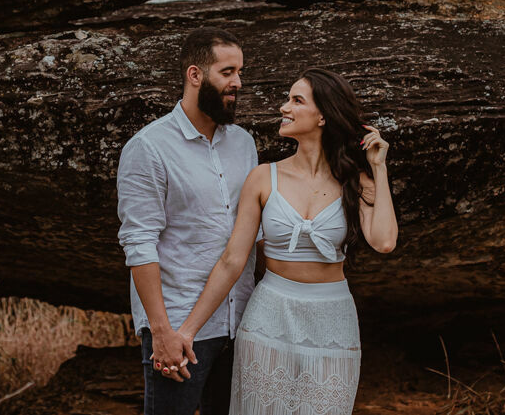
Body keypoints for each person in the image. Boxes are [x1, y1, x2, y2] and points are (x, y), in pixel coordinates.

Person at [171, 67, 398, 414]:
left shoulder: (356, 179)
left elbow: (383, 242)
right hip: (269, 316)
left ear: (322, 115)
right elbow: (233, 260)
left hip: (332, 320)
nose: (283, 107)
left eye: (296, 100)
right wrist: (187, 332)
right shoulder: (263, 177)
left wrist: (378, 168)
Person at [116, 27, 259, 415]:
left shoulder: (244, 144)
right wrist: (161, 333)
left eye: (240, 72)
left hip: (240, 325)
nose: (238, 83)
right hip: (179, 332)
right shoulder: (148, 148)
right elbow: (139, 243)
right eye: (227, 72)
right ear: (195, 75)